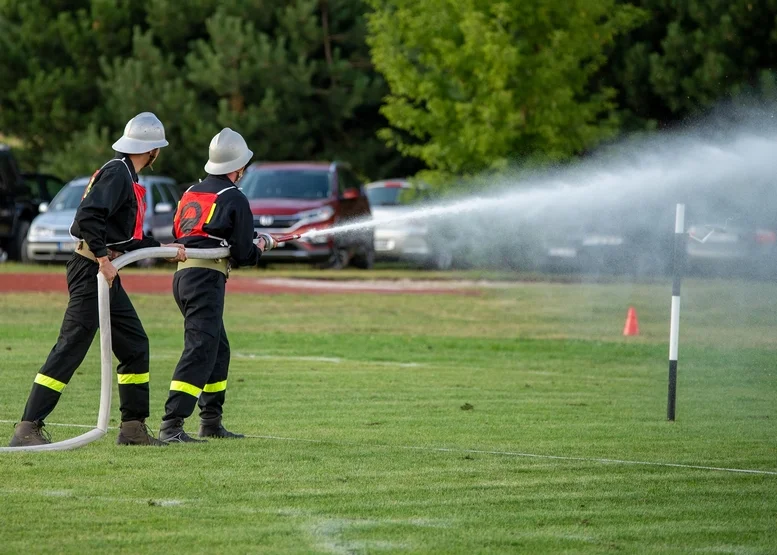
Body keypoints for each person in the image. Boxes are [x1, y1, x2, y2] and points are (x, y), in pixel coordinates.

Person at [9, 112, 186, 447]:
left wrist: (164, 248)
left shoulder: (126, 175)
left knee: (134, 345)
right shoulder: (118, 173)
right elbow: (88, 217)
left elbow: (126, 238)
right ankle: (27, 427)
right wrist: (104, 260)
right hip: (91, 269)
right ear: (152, 150)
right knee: (71, 346)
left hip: (103, 272)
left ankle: (133, 428)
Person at [158, 128, 265, 443]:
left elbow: (186, 233)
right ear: (237, 167)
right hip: (205, 278)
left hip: (184, 276)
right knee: (201, 349)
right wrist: (259, 246)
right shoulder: (234, 197)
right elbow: (244, 254)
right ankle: (171, 424)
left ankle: (211, 421)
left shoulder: (192, 191)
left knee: (218, 348)